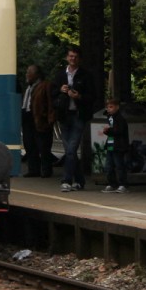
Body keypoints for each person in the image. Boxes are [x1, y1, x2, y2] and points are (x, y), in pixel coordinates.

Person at [53, 48, 98, 192]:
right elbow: (52, 93)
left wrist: (79, 97)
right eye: (71, 56)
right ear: (67, 58)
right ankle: (79, 181)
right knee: (70, 151)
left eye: (76, 57)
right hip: (64, 115)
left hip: (78, 115)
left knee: (71, 149)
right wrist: (61, 90)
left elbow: (92, 96)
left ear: (80, 59)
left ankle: (66, 180)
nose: (73, 59)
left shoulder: (86, 75)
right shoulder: (60, 75)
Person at [21, 65, 55, 178]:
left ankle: (46, 170)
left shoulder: (45, 85)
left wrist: (50, 117)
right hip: (28, 117)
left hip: (40, 117)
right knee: (29, 144)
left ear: (36, 75)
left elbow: (50, 102)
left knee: (43, 145)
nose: (27, 75)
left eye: (29, 73)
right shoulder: (29, 87)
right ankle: (33, 169)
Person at [100, 99, 130, 194]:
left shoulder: (120, 118)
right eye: (108, 107)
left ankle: (122, 184)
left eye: (111, 107)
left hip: (118, 146)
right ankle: (112, 183)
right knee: (109, 166)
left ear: (117, 107)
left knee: (119, 165)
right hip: (111, 144)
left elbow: (119, 131)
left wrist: (108, 131)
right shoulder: (110, 118)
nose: (109, 109)